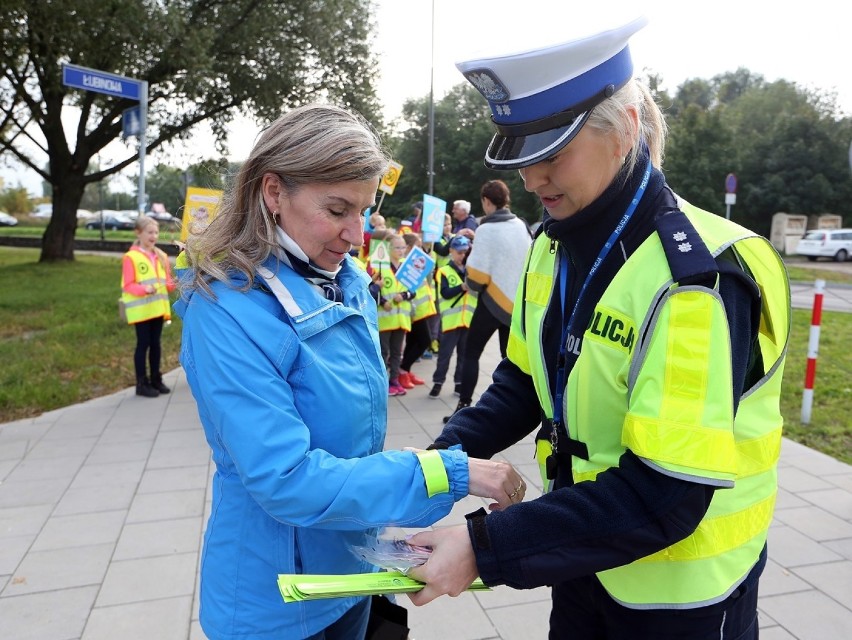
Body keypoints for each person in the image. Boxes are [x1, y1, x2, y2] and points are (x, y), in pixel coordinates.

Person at [406, 16, 791, 640]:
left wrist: (483, 546)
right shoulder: (552, 248)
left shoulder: (697, 279)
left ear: (627, 130)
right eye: (523, 156)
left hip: (681, 599)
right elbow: (523, 383)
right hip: (583, 565)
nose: (533, 180)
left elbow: (663, 494)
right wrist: (430, 470)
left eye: (553, 154)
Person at [173, 104, 525, 640]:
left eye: (363, 210)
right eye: (337, 209)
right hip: (277, 604)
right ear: (273, 193)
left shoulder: (346, 281)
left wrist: (390, 522)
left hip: (351, 575)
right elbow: (286, 478)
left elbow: (353, 451)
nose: (355, 235)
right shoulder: (225, 310)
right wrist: (448, 473)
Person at [443, 179, 530, 423]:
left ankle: (464, 405)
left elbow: (477, 276)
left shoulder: (486, 229)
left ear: (486, 201)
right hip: (517, 303)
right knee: (509, 359)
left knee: (471, 353)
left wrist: (471, 283)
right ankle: (510, 409)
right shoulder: (520, 224)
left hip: (491, 303)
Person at [120, 215, 175, 398]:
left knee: (156, 345)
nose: (154, 236)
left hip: (158, 309)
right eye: (149, 232)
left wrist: (179, 280)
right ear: (138, 233)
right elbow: (128, 285)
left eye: (156, 232)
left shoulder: (161, 256)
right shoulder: (131, 257)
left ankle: (156, 380)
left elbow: (168, 284)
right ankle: (141, 384)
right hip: (142, 311)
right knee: (143, 345)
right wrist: (145, 289)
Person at [429, 235, 476, 399]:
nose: (462, 255)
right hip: (450, 321)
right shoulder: (443, 271)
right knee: (445, 355)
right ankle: (438, 383)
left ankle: (459, 383)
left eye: (465, 252)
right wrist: (462, 286)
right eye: (459, 252)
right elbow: (446, 293)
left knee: (464, 355)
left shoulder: (471, 271)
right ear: (451, 251)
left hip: (467, 321)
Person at [398, 232, 437, 389]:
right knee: (424, 341)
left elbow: (427, 280)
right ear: (408, 248)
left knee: (413, 341)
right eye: (418, 245)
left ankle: (405, 371)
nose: (421, 248)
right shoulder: (403, 264)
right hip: (413, 310)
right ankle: (403, 369)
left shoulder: (416, 261)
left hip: (421, 309)